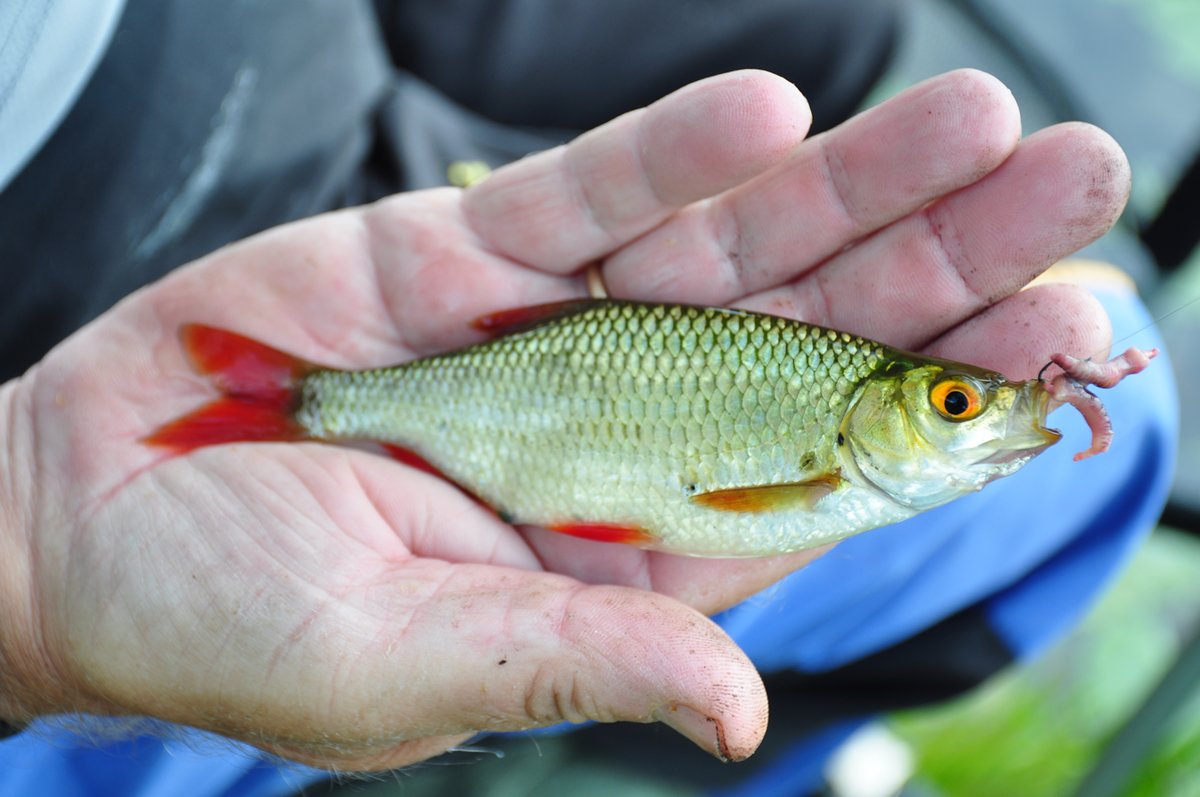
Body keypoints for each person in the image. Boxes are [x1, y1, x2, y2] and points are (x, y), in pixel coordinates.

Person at [0, 1, 1177, 795]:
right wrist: (28, 586)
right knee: (1133, 405)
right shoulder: (832, 462)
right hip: (90, 227)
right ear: (872, 416)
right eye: (955, 407)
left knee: (828, 24)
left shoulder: (834, 430)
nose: (982, 415)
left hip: (250, 65)